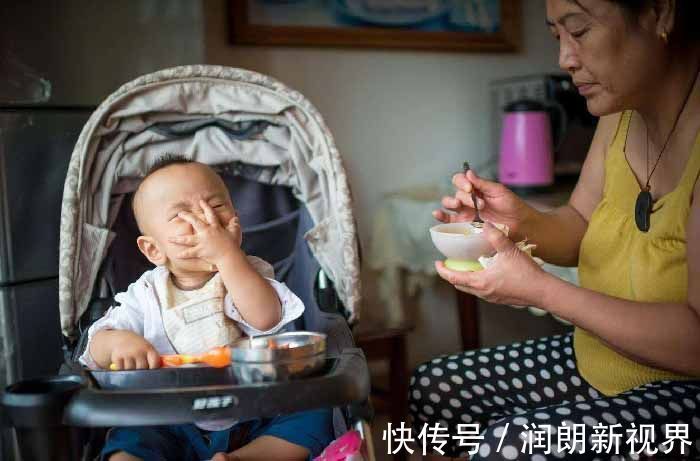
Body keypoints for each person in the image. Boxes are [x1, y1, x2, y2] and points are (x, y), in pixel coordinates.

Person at [409, 0, 700, 459]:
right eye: (556, 36)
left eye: (579, 31)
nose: (564, 58)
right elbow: (579, 227)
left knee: (510, 447)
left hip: (686, 390)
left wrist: (540, 290)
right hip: (603, 358)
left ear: (661, 13)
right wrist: (514, 222)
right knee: (435, 386)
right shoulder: (618, 115)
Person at [79, 156, 333, 461]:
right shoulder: (145, 295)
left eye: (216, 206)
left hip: (255, 408)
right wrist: (117, 343)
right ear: (153, 249)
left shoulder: (248, 272)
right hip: (169, 417)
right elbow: (95, 345)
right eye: (182, 214)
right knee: (128, 439)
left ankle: (243, 458)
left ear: (237, 221)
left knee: (314, 415)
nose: (205, 219)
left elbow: (266, 318)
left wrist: (227, 256)